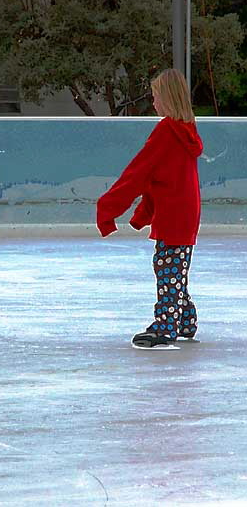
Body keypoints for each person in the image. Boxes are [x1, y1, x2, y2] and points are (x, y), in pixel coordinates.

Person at [96, 68, 203, 349]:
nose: (153, 102)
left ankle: (166, 326)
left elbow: (139, 172)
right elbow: (163, 176)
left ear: (167, 98)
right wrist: (142, 214)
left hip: (175, 213)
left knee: (168, 266)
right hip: (184, 211)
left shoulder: (168, 129)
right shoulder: (186, 129)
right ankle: (185, 320)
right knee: (174, 267)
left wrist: (107, 207)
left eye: (156, 96)